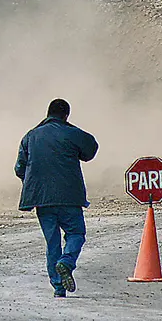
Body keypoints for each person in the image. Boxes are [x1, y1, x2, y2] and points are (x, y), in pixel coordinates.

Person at [14, 98, 98, 298]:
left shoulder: (30, 136)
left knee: (52, 243)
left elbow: (19, 168)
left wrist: (33, 180)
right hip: (70, 197)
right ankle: (66, 262)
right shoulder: (72, 134)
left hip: (42, 199)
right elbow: (91, 149)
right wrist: (70, 128)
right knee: (76, 234)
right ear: (66, 115)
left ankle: (59, 287)